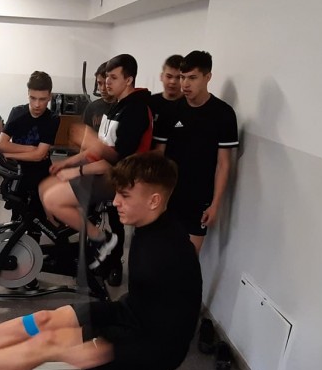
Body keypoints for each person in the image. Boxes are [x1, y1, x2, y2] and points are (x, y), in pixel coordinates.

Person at [0, 152, 201, 370]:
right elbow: (144, 303)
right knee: (45, 319)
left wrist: (98, 344)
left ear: (154, 200)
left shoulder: (170, 252)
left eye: (125, 196)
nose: (115, 202)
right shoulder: (151, 226)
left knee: (49, 342)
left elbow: (170, 330)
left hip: (152, 348)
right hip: (131, 315)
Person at [39, 53, 153, 270]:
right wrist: (68, 162)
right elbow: (98, 147)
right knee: (45, 187)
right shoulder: (118, 106)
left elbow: (118, 159)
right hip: (103, 170)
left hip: (120, 178)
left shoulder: (135, 109)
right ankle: (76, 237)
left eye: (113, 77)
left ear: (128, 80)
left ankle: (101, 239)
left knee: (53, 199)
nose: (107, 82)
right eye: (106, 77)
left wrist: (78, 171)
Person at [152, 50, 240, 254]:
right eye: (183, 77)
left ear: (207, 77)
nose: (184, 84)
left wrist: (216, 204)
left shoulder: (224, 114)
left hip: (200, 197)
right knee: (161, 253)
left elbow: (224, 164)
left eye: (192, 78)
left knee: (189, 258)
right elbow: (158, 156)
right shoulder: (171, 111)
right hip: (169, 194)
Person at [0, 71, 59, 195]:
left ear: (49, 97)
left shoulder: (52, 118)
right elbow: (1, 145)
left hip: (41, 174)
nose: (37, 105)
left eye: (42, 99)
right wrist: (32, 149)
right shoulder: (17, 112)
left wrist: (10, 154)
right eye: (33, 98)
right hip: (17, 171)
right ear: (28, 94)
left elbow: (39, 156)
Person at [145, 54, 183, 128]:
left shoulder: (191, 105)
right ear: (161, 76)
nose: (173, 81)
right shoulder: (149, 103)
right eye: (169, 76)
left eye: (178, 77)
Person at [80, 61, 115, 132]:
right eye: (99, 83)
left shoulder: (122, 108)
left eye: (106, 83)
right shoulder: (91, 108)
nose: (103, 88)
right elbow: (86, 135)